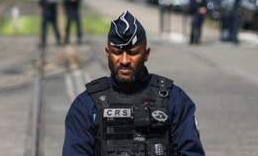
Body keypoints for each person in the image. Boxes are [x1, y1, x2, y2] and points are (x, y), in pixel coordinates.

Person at [63, 10, 205, 156]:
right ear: (107, 53)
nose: (124, 61)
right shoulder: (86, 105)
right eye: (117, 52)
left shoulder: (174, 100)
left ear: (146, 54)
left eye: (132, 53)